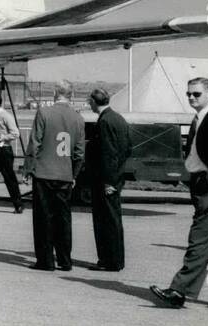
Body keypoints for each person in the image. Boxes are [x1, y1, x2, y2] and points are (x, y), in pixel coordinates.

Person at [151, 78, 208, 308]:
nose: (191, 97)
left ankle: (179, 291)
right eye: (189, 94)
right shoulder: (199, 120)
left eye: (197, 94)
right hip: (200, 185)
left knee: (199, 241)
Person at [26, 81, 85, 271]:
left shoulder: (44, 113)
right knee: (63, 218)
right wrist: (73, 174)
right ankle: (65, 260)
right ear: (71, 95)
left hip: (44, 172)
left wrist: (28, 168)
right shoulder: (78, 118)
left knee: (43, 218)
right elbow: (79, 153)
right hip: (65, 174)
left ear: (54, 93)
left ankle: (45, 261)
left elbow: (35, 143)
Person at [84, 88, 132, 271]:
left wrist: (109, 182)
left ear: (94, 102)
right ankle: (116, 260)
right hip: (115, 178)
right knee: (114, 220)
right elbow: (127, 149)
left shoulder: (104, 122)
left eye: (90, 102)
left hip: (105, 181)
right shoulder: (118, 119)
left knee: (104, 221)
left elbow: (107, 154)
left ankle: (108, 261)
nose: (90, 105)